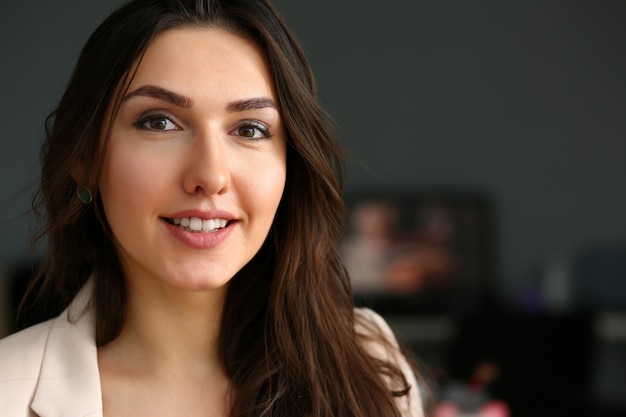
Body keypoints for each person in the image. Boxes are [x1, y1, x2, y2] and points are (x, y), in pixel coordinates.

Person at [0, 0, 425, 416]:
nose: (211, 175)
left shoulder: (368, 360)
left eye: (250, 129)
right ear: (87, 158)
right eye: (159, 122)